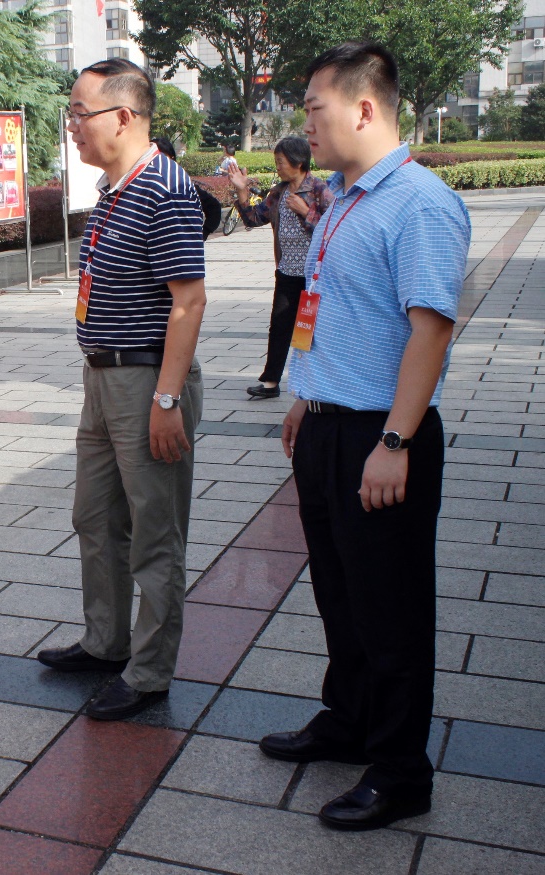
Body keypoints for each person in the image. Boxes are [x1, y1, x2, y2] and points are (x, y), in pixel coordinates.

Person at [261, 42, 470, 831]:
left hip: (380, 435)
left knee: (390, 606)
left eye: (314, 108)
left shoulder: (417, 202)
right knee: (339, 591)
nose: (304, 124)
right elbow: (326, 308)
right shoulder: (345, 198)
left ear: (362, 107)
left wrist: (395, 441)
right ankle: (347, 719)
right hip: (328, 424)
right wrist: (305, 394)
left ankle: (399, 768)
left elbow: (430, 331)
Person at [37, 59, 206, 720]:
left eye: (80, 113)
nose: (72, 126)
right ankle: (105, 641)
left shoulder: (164, 188)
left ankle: (149, 670)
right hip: (102, 375)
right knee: (96, 517)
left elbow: (188, 302)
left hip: (146, 380)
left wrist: (167, 400)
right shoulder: (115, 188)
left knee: (153, 532)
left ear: (125, 116)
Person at [227, 136, 335, 398]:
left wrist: (306, 211)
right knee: (279, 326)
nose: (277, 167)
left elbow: (334, 229)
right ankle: (271, 381)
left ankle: (311, 383)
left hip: (314, 277)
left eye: (280, 162)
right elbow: (254, 218)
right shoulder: (279, 191)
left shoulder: (319, 190)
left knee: (307, 331)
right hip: (286, 271)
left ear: (298, 163)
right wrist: (242, 191)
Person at [153, 136, 222, 240]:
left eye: (162, 157)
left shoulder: (183, 186)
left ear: (172, 158)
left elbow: (214, 207)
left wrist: (203, 233)